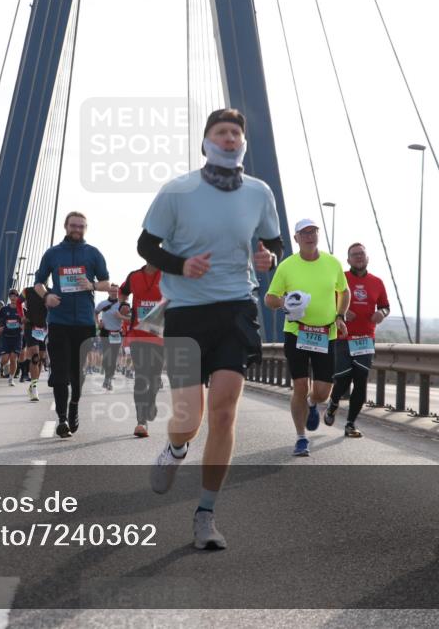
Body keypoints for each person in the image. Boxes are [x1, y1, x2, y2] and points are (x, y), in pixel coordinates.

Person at [141, 108, 282, 550]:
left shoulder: (259, 192)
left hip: (236, 310)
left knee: (224, 412)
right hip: (185, 312)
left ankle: (206, 514)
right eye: (221, 132)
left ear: (242, 143)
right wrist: (181, 265)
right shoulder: (178, 191)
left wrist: (269, 258)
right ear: (206, 141)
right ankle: (176, 449)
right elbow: (146, 244)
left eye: (236, 133)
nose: (229, 138)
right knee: (189, 419)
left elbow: (273, 241)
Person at [264, 218, 349, 457]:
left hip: (325, 333)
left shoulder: (332, 263)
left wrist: (341, 315)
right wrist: (284, 302)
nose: (310, 236)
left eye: (313, 232)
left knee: (323, 393)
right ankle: (301, 438)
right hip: (296, 332)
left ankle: (313, 404)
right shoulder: (287, 266)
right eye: (304, 233)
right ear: (296, 239)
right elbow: (269, 298)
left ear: (318, 235)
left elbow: (345, 291)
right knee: (300, 386)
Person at [34, 211, 112, 438]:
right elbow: (38, 283)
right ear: (65, 226)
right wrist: (46, 296)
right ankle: (61, 419)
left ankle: (74, 404)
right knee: (60, 373)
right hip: (59, 321)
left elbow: (107, 283)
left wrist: (93, 285)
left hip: (85, 323)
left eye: (81, 226)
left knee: (77, 373)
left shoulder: (93, 253)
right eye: (73, 226)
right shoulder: (52, 254)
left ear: (85, 229)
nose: (77, 230)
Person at [325, 243, 390, 437]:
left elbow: (386, 306)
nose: (358, 257)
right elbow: (327, 303)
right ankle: (333, 403)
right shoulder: (341, 279)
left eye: (361, 254)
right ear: (348, 260)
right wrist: (342, 312)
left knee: (361, 381)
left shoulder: (377, 282)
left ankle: (350, 424)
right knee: (343, 380)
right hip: (344, 337)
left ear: (367, 257)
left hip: (365, 338)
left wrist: (381, 313)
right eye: (354, 255)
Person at [120, 263, 164, 437]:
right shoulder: (134, 276)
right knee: (141, 376)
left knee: (154, 377)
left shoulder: (168, 275)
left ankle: (151, 401)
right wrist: (123, 305)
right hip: (137, 335)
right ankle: (141, 421)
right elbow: (123, 292)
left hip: (159, 336)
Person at [21, 285, 49, 402]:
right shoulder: (27, 291)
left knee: (41, 359)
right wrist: (22, 316)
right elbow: (18, 302)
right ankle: (35, 389)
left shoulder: (49, 291)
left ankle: (33, 385)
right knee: (35, 357)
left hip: (43, 328)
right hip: (30, 326)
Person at [95, 286, 126, 391]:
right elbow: (95, 312)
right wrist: (98, 323)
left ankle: (108, 379)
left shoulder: (122, 305)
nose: (114, 293)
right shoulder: (102, 304)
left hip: (117, 333)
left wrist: (120, 317)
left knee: (113, 357)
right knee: (107, 356)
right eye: (112, 291)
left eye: (116, 291)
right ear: (108, 291)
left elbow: (130, 318)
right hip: (105, 332)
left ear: (118, 292)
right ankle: (107, 377)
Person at [0, 290, 24, 386]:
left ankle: (11, 378)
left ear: (17, 297)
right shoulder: (4, 309)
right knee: (4, 359)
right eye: (11, 296)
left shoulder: (21, 309)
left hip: (17, 337)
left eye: (15, 296)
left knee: (13, 358)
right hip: (6, 337)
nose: (13, 298)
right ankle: (2, 366)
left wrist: (23, 325)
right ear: (9, 297)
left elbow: (27, 320)